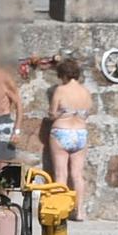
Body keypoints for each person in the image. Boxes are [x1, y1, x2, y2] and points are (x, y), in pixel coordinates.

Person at [46, 57, 92, 221]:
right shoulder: (85, 92)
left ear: (63, 75)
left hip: (62, 131)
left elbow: (52, 113)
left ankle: (61, 211)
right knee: (77, 175)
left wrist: (55, 115)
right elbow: (88, 113)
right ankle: (79, 212)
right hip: (80, 133)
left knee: (61, 174)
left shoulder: (60, 90)